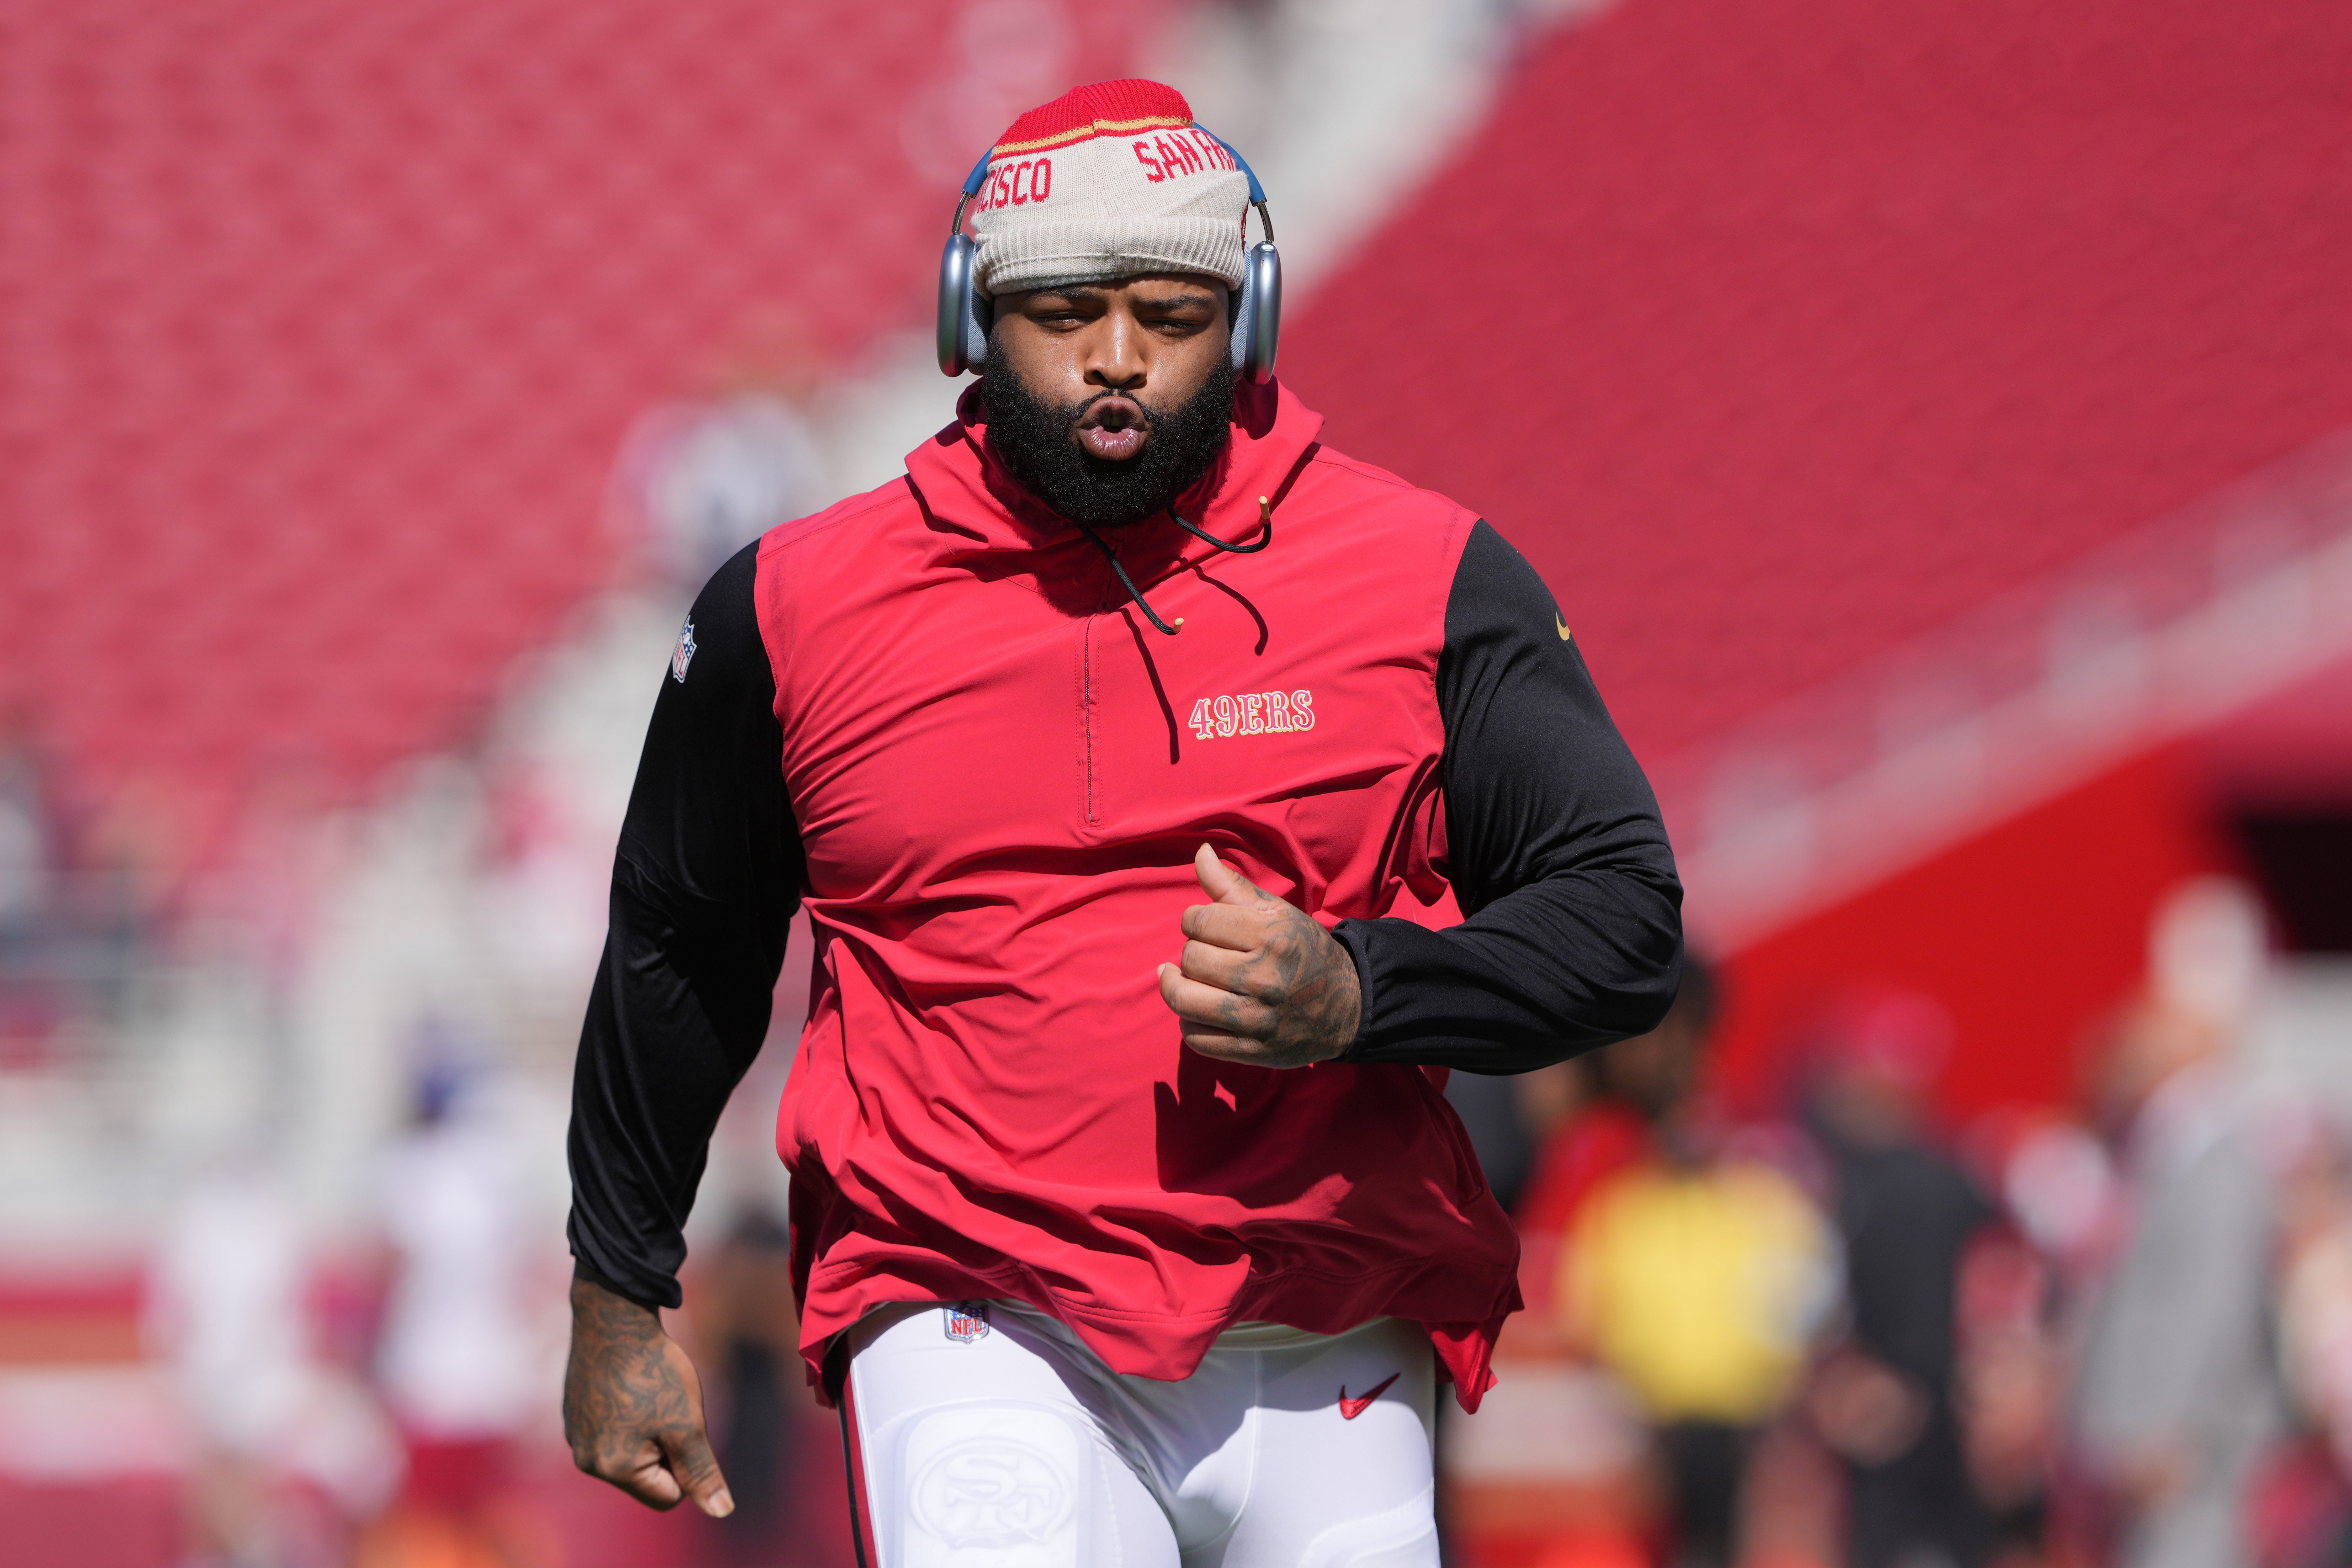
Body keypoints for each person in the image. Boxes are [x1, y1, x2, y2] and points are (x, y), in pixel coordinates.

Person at [561, 78, 1683, 1568]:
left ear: (1254, 315)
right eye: (1062, 308)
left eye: (1171, 311)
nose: (1115, 359)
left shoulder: (1427, 578)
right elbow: (678, 945)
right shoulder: (793, 610)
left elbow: (1623, 910)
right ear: (971, 312)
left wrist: (1364, 990)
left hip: (1324, 1322)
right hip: (972, 1308)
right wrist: (617, 1290)